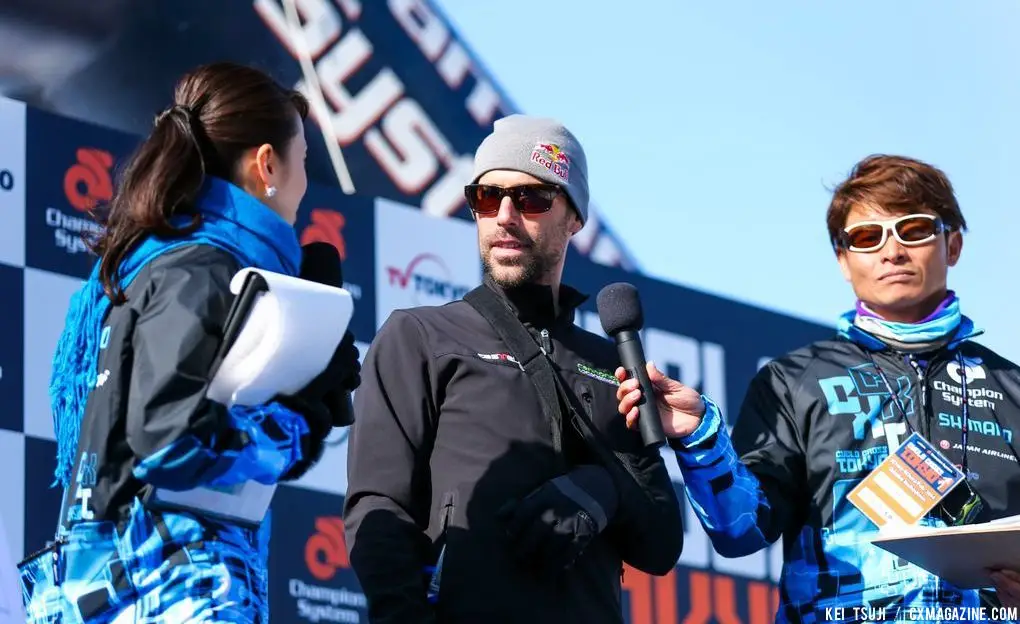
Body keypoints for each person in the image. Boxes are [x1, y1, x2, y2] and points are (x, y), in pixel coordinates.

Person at [18, 62, 361, 623]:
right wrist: (296, 420)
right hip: (168, 593)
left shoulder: (164, 262)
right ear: (266, 164)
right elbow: (168, 440)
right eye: (304, 159)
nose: (306, 181)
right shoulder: (200, 266)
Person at [616, 154, 1020, 623]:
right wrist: (700, 437)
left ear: (953, 246)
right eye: (868, 237)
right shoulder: (793, 381)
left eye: (912, 230)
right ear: (843, 261)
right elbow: (739, 531)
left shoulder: (1011, 388)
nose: (892, 252)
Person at [343, 114, 684, 623]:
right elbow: (378, 508)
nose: (504, 215)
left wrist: (604, 487)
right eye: (486, 198)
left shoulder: (612, 363)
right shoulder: (420, 335)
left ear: (574, 217)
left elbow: (660, 544)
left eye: (531, 199)